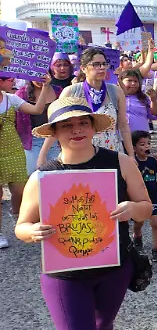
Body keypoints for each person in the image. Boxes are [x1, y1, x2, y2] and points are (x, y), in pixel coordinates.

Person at [15, 96, 152, 330]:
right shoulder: (42, 176)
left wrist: (133, 208)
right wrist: (31, 232)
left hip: (114, 267)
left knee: (103, 327)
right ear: (53, 132)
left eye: (82, 123)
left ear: (93, 127)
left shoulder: (121, 162)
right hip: (64, 275)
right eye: (67, 125)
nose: (76, 130)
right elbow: (21, 226)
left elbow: (146, 206)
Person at [40, 47, 135, 167]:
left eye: (104, 64)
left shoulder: (115, 92)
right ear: (83, 68)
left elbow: (123, 125)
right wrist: (43, 154)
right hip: (79, 154)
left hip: (112, 151)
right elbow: (56, 125)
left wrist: (131, 155)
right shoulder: (70, 91)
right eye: (96, 64)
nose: (101, 68)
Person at [0, 73, 52, 249]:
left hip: (13, 151)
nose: (13, 82)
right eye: (9, 80)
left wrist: (45, 87)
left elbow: (37, 110)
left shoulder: (11, 99)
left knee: (19, 191)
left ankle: (18, 220)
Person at [131, 130, 157, 262]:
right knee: (139, 222)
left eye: (148, 143)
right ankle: (137, 236)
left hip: (153, 196)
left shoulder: (152, 161)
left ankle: (156, 249)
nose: (146, 146)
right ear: (134, 147)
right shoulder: (133, 163)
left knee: (155, 223)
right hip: (138, 197)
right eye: (142, 144)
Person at [16, 79, 62, 174]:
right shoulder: (21, 94)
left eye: (43, 76)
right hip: (31, 141)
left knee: (58, 174)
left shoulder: (59, 91)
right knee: (33, 174)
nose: (40, 79)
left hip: (55, 139)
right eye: (36, 76)